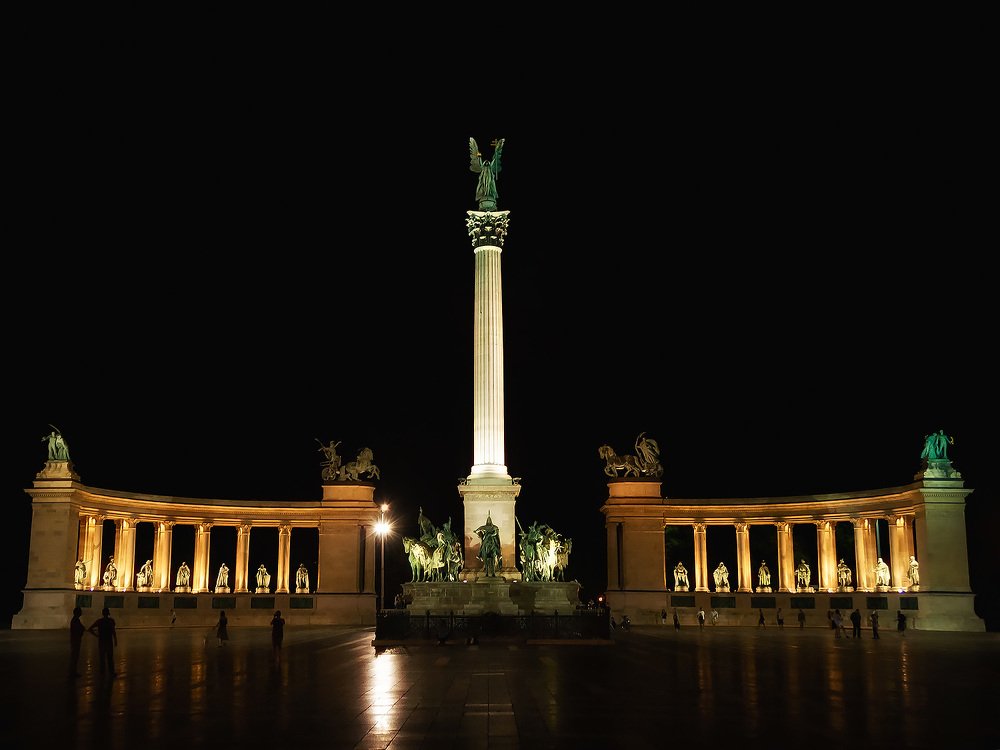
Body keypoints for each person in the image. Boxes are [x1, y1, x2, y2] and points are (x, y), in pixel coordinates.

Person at [469, 137, 504, 211]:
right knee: (482, 188)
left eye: (488, 162)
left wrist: (497, 150)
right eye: (486, 162)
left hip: (490, 180)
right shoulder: (482, 168)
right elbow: (479, 159)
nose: (487, 163)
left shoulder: (490, 168)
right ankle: (485, 195)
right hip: (483, 181)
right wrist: (478, 155)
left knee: (491, 187)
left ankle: (490, 195)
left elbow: (495, 159)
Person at [88, 607, 118, 675]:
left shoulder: (99, 621)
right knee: (110, 658)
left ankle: (102, 672)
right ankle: (111, 672)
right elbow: (113, 631)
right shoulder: (111, 621)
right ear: (108, 613)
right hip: (109, 641)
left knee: (102, 658)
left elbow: (90, 629)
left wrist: (97, 635)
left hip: (101, 641)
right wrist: (115, 640)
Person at [69, 606, 85, 677]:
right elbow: (81, 628)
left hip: (75, 639)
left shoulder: (75, 620)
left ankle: (73, 671)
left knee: (74, 656)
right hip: (76, 640)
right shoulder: (76, 620)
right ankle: (73, 672)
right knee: (75, 656)